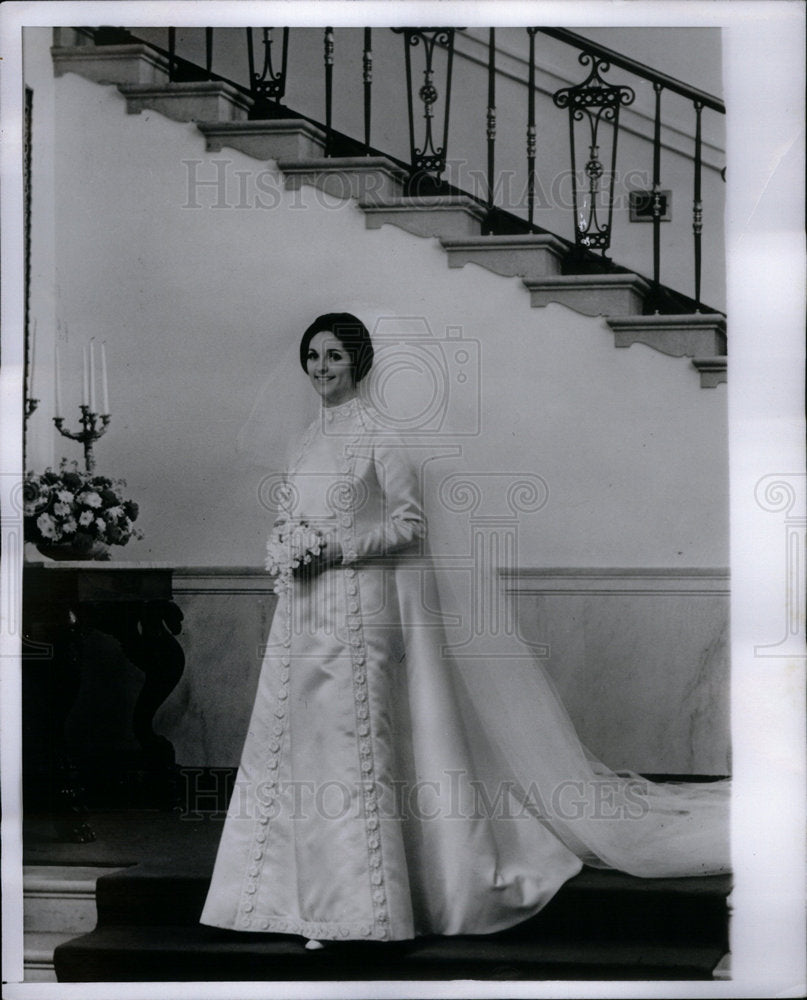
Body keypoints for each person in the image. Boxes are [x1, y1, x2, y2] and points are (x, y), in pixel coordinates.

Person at [200, 312, 730, 947]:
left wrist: (337, 551)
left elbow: (408, 525)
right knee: (301, 746)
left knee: (356, 742)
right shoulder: (303, 442)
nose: (320, 368)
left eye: (334, 356)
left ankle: (357, 905)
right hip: (304, 610)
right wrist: (289, 546)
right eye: (312, 356)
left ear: (358, 363)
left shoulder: (382, 437)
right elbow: (294, 515)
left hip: (361, 607)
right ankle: (287, 896)